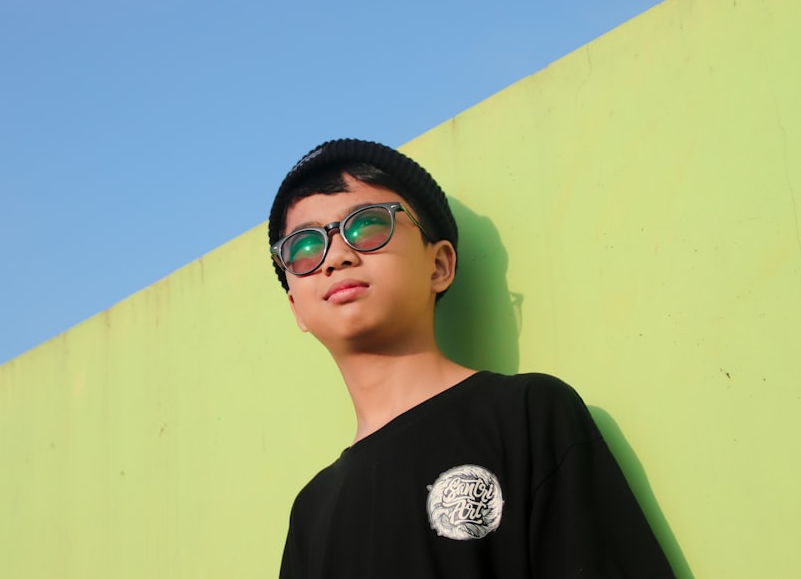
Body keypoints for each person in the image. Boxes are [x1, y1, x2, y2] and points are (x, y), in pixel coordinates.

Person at [268, 139, 673, 578]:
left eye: (367, 225)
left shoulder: (529, 415)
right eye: (304, 248)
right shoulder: (311, 513)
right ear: (295, 308)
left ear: (439, 265)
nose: (335, 256)